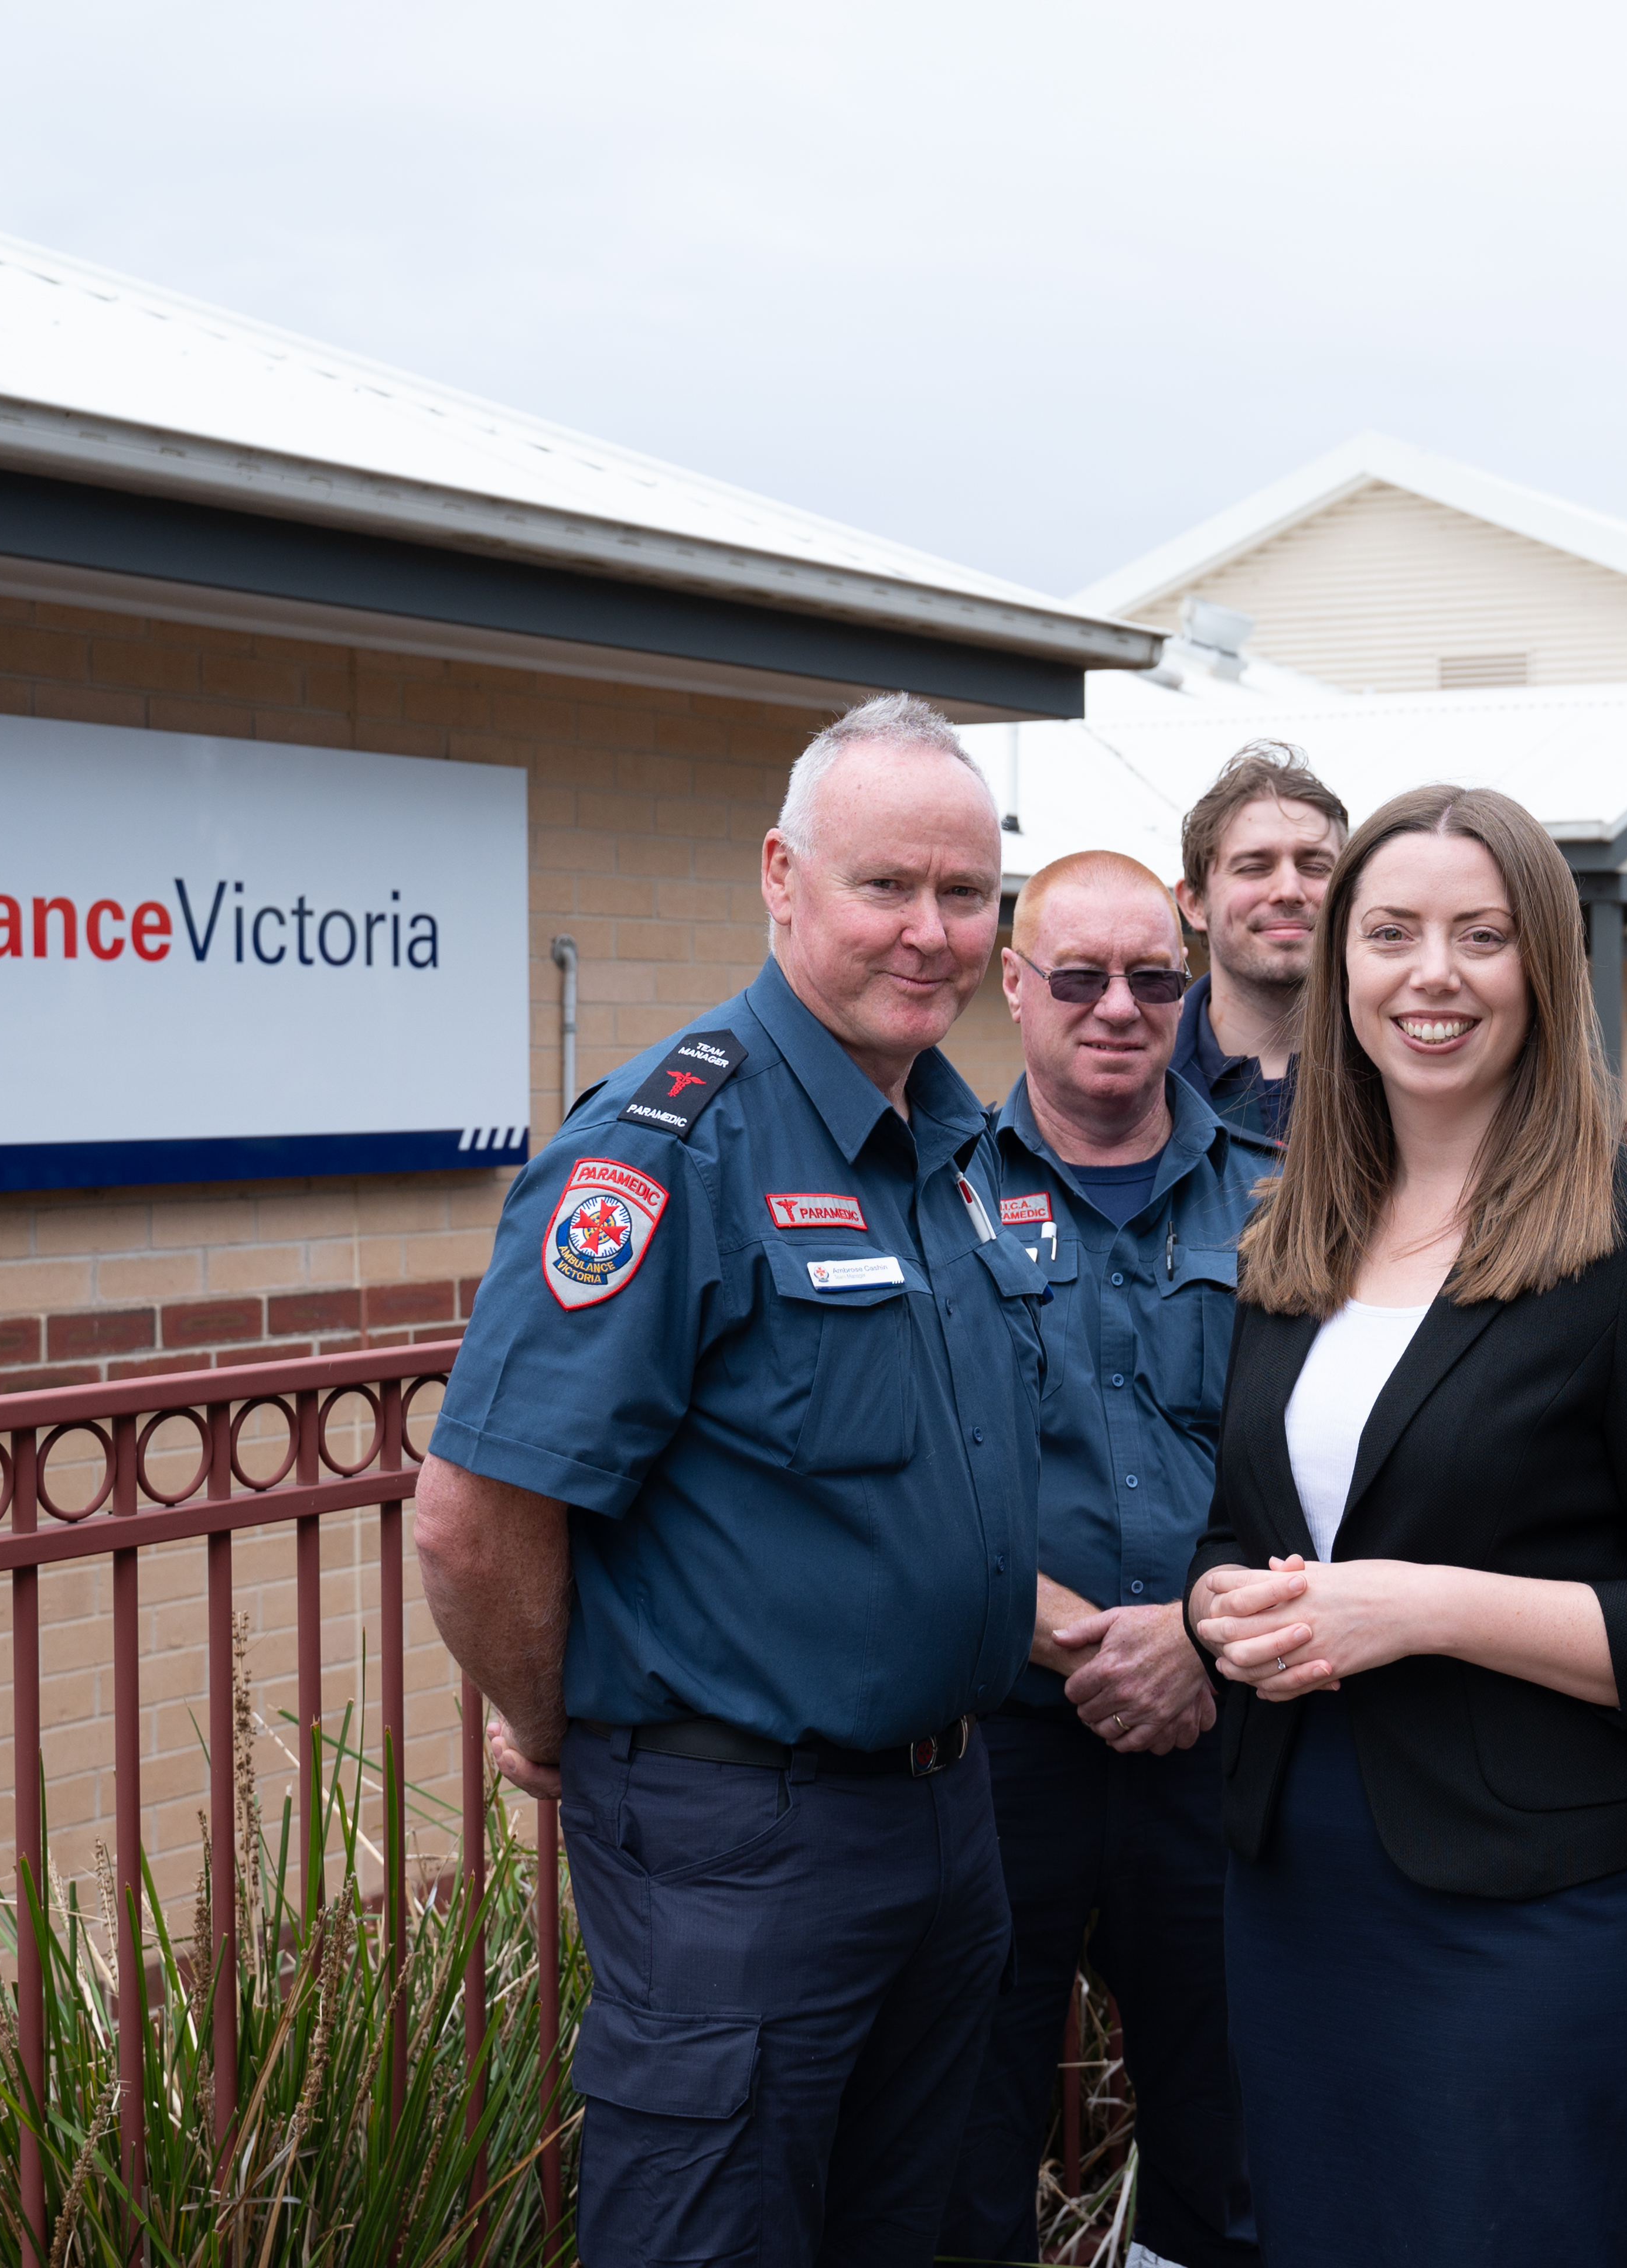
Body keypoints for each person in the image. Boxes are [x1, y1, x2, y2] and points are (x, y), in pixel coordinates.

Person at [408, 693, 1053, 2267]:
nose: (929, 932)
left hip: (947, 1819)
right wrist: (561, 1729)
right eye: (883, 887)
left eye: (963, 895)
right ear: (781, 877)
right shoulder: (665, 1149)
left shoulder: (949, 1147)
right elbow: (476, 1516)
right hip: (737, 1850)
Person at [1185, 783, 1627, 2267]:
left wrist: (1420, 1607)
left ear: (1544, 966)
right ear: (1341, 969)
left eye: (1479, 934)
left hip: (1548, 1915)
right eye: (1389, 933)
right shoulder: (1297, 1231)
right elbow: (1238, 1532)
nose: (1430, 974)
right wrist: (1217, 1611)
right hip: (1302, 1897)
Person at [940, 851, 1280, 2268]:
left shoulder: (1288, 1195)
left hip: (1232, 1732)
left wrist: (1194, 1643)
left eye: (1151, 977)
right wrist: (1080, 1640)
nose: (1117, 1008)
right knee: (964, 2136)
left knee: (1242, 2130)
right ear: (1014, 985)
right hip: (1004, 1744)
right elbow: (900, 1470)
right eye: (1076, 977)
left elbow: (1343, 1462)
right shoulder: (931, 1195)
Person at [1169, 742, 1349, 1138]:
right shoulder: (1141, 1084)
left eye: (1315, 866)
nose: (1289, 889)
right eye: (1254, 867)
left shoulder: (1404, 1077)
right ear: (1194, 903)